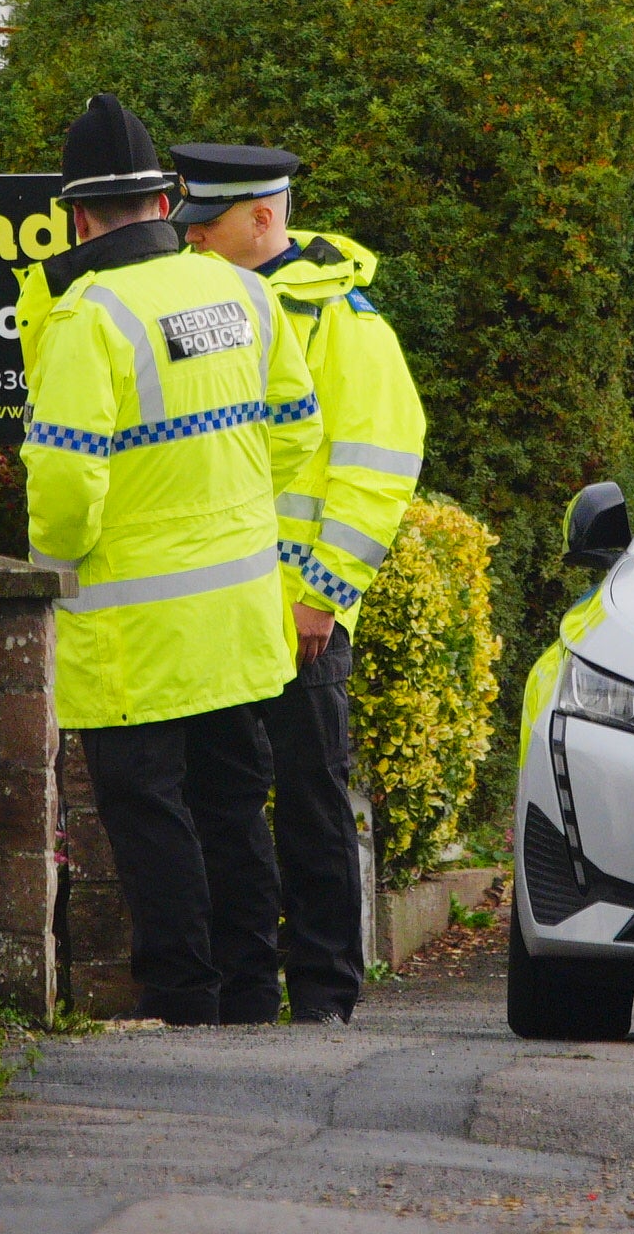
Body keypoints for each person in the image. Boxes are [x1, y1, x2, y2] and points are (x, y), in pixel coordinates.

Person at [23, 96, 323, 1027]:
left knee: (151, 812)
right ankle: (252, 991)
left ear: (78, 218)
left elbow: (65, 485)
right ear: (164, 202)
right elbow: (296, 432)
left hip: (135, 635)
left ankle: (184, 999)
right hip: (237, 623)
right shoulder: (245, 294)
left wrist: (57, 567)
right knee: (232, 805)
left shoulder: (88, 318)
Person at [170, 142, 427, 1025]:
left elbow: (378, 468)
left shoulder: (344, 322)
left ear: (261, 217)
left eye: (206, 226)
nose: (192, 240)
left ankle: (323, 994)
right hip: (219, 602)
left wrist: (323, 592)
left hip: (299, 612)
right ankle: (246, 993)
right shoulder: (201, 305)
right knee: (225, 802)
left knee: (312, 800)